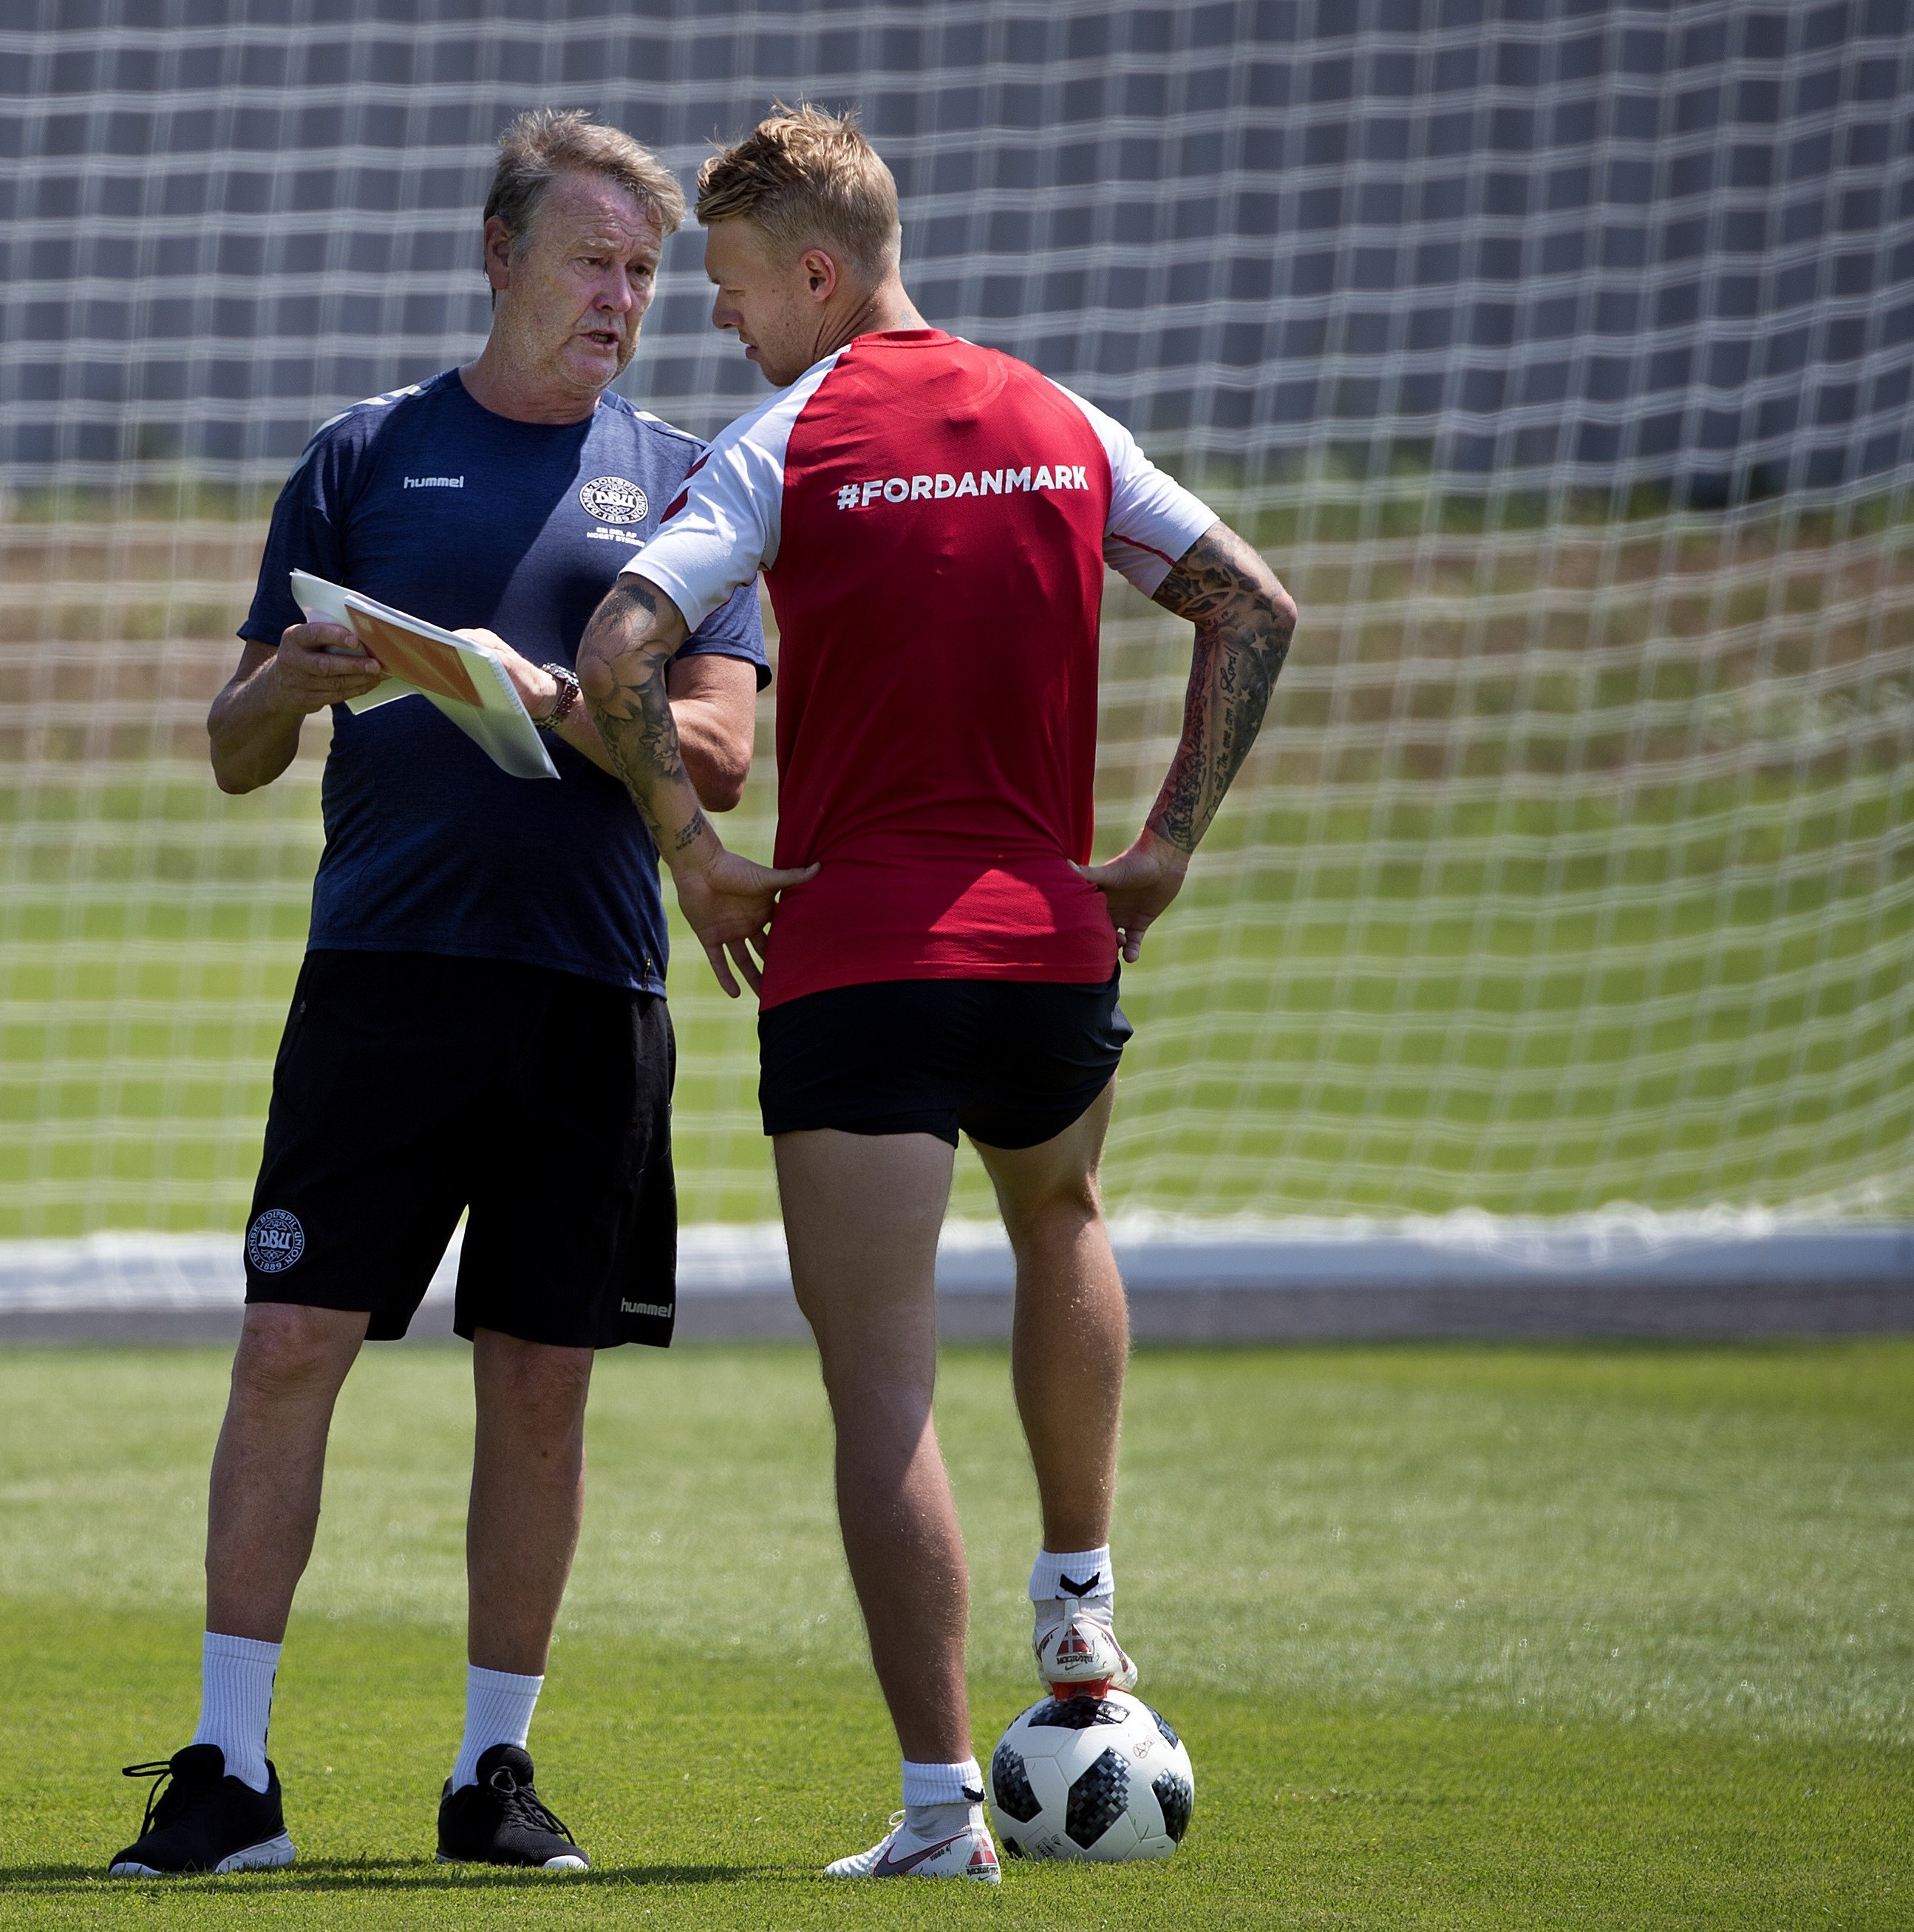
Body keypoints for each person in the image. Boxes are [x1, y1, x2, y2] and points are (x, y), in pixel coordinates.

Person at [576, 105, 1298, 1883]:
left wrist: (694, 859)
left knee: (882, 1388)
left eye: (734, 288)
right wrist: (1162, 849)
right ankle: (1080, 1613)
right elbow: (1254, 607)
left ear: (817, 271)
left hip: (859, 958)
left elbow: (615, 650)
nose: (721, 324)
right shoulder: (1062, 418)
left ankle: (935, 1811)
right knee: (1062, 1214)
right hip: (1050, 946)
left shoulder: (777, 440)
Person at [106, 109, 768, 1879]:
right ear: (500, 256)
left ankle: (495, 1773)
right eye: (591, 259)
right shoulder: (364, 454)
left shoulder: (697, 482)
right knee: (289, 1344)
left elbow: (716, 742)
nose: (624, 297)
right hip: (382, 982)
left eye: (644, 269)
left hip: (590, 990)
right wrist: (310, 675)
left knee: (539, 1376)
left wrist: (557, 697)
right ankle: (226, 1770)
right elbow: (238, 746)